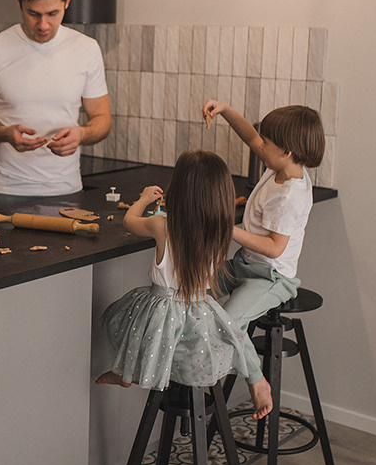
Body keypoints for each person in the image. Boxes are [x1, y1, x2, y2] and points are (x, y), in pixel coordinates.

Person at [96, 151, 272, 419]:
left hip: (161, 309)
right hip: (200, 310)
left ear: (176, 188)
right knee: (231, 334)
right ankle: (254, 379)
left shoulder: (161, 224)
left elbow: (129, 222)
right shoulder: (219, 229)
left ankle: (125, 372)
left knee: (127, 322)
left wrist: (144, 198)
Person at [0, 0, 112, 210]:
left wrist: (81, 135)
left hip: (66, 191)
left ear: (67, 2)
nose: (43, 25)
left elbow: (103, 119)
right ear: (19, 0)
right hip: (7, 191)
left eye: (52, 14)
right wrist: (4, 134)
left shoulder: (87, 49)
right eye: (33, 14)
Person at [201, 100, 325, 353]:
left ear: (286, 151)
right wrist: (224, 110)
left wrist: (227, 229)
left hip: (271, 278)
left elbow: (274, 248)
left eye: (267, 143)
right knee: (191, 292)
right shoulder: (279, 165)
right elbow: (250, 137)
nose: (261, 145)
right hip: (245, 264)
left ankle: (257, 384)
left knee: (226, 324)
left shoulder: (290, 196)